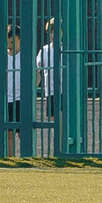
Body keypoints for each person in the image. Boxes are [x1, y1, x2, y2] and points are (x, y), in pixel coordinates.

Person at [33, 18, 61, 146]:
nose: (52, 34)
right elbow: (37, 70)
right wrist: (34, 87)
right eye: (50, 31)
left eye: (56, 31)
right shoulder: (44, 50)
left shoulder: (65, 50)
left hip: (63, 90)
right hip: (50, 90)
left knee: (63, 120)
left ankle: (62, 146)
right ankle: (58, 145)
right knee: (53, 119)